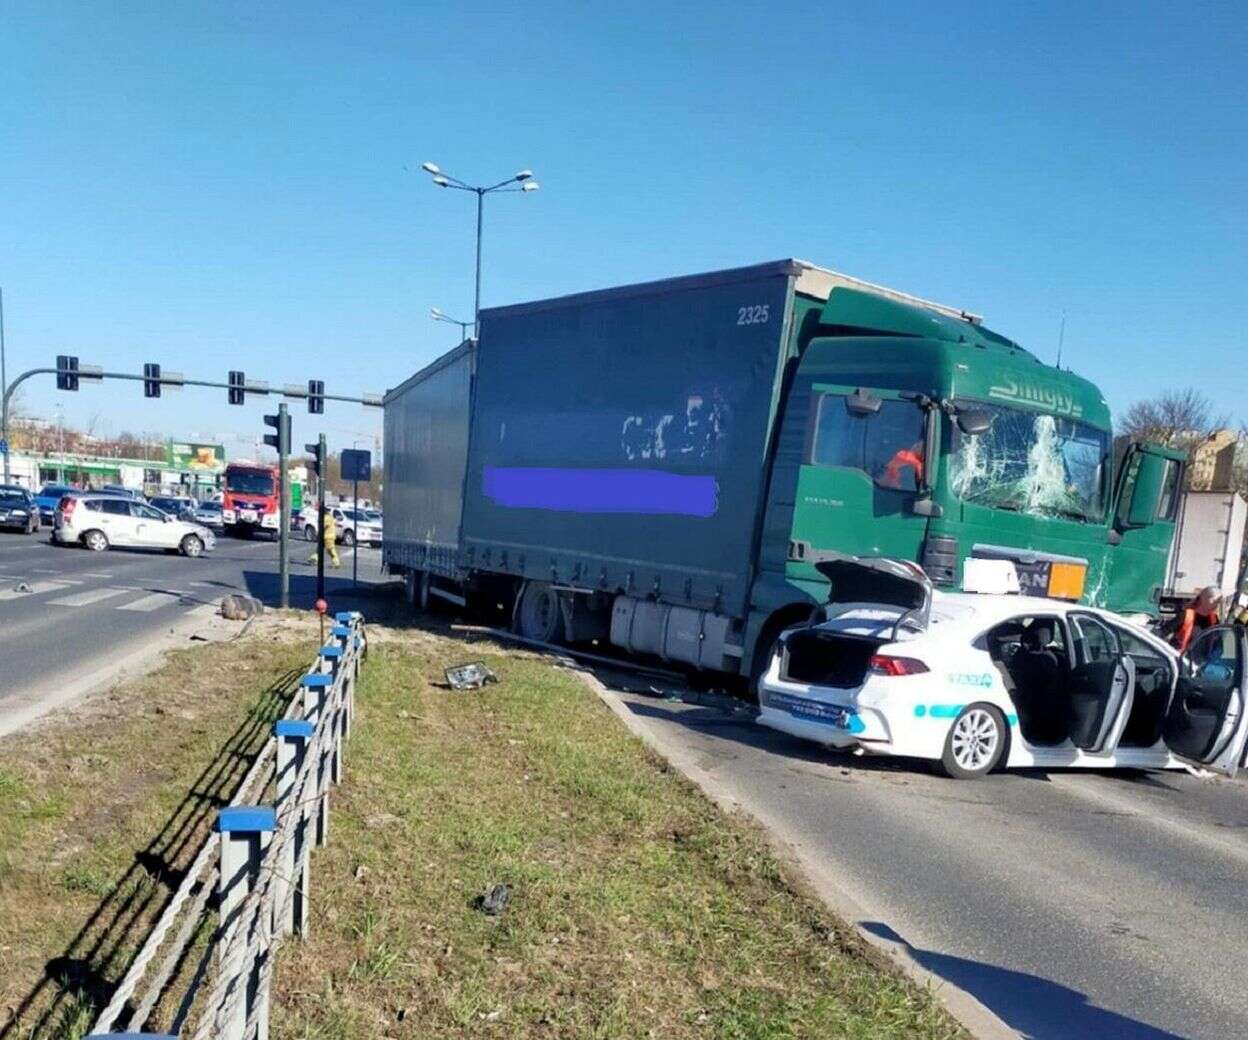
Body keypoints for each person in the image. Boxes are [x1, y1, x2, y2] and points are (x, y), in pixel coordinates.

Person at [1172, 585, 1219, 653]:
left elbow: (1217, 639)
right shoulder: (1186, 615)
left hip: (1202, 660)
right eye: (1213, 601)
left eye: (1216, 602)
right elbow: (1163, 631)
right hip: (1181, 657)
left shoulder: (1214, 618)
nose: (1215, 605)